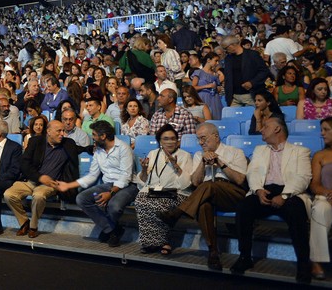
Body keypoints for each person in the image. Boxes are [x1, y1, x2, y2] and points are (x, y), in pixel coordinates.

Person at [231, 116, 312, 283]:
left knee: (296, 211)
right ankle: (245, 256)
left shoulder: (300, 152)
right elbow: (252, 172)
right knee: (243, 207)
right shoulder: (260, 150)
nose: (261, 129)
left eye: (265, 126)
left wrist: (284, 195)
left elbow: (303, 178)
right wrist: (258, 190)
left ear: (277, 129)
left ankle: (304, 264)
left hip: (290, 192)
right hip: (264, 189)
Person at [158, 122, 248, 270]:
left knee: (209, 186)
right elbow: (195, 182)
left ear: (216, 137)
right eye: (198, 139)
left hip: (232, 193)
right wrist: (202, 163)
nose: (201, 142)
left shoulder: (235, 152)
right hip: (208, 193)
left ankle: (177, 213)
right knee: (203, 205)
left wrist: (219, 162)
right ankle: (213, 252)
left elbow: (240, 180)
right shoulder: (199, 155)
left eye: (203, 138)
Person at [4, 120, 90, 239]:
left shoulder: (68, 144)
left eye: (63, 131)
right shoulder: (35, 142)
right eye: (59, 131)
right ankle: (24, 222)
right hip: (32, 180)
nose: (62, 134)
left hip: (51, 184)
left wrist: (95, 147)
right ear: (48, 131)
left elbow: (82, 149)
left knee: (38, 195)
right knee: (8, 194)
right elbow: (24, 164)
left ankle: (33, 226)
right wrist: (39, 177)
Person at [64, 121, 137, 247]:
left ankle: (110, 231)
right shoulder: (98, 151)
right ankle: (112, 229)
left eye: (94, 135)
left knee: (114, 206)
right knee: (81, 198)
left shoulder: (124, 148)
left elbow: (125, 177)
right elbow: (92, 175)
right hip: (108, 184)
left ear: (103, 136)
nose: (92, 137)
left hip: (128, 185)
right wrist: (69, 185)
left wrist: (110, 193)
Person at [133, 123, 193, 255]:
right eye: (166, 139)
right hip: (155, 191)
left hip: (177, 193)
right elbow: (143, 181)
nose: (170, 142)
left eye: (173, 139)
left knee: (158, 204)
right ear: (160, 141)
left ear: (178, 141)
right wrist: (143, 170)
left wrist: (175, 165)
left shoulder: (185, 155)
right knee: (140, 201)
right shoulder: (153, 153)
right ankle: (157, 242)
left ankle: (158, 242)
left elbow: (186, 184)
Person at [308, 117, 332, 279]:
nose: (322, 133)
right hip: (325, 197)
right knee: (319, 209)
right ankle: (316, 261)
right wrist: (329, 194)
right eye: (321, 129)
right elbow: (314, 185)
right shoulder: (320, 155)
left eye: (326, 129)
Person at [221, 35, 270, 107]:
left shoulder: (252, 55)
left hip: (250, 94)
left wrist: (252, 83)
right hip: (234, 96)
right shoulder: (228, 58)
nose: (225, 51)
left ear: (233, 45)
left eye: (226, 48)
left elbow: (264, 71)